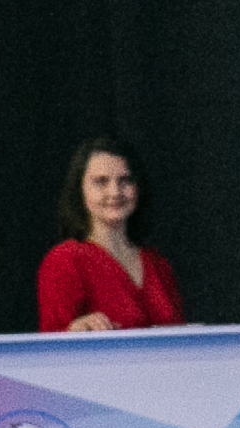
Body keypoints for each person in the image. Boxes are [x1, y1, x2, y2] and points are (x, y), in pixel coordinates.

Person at [37, 139, 184, 332]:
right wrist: (75, 330)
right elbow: (50, 348)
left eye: (126, 180)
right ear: (80, 190)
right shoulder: (64, 261)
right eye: (101, 182)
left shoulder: (157, 263)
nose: (115, 192)